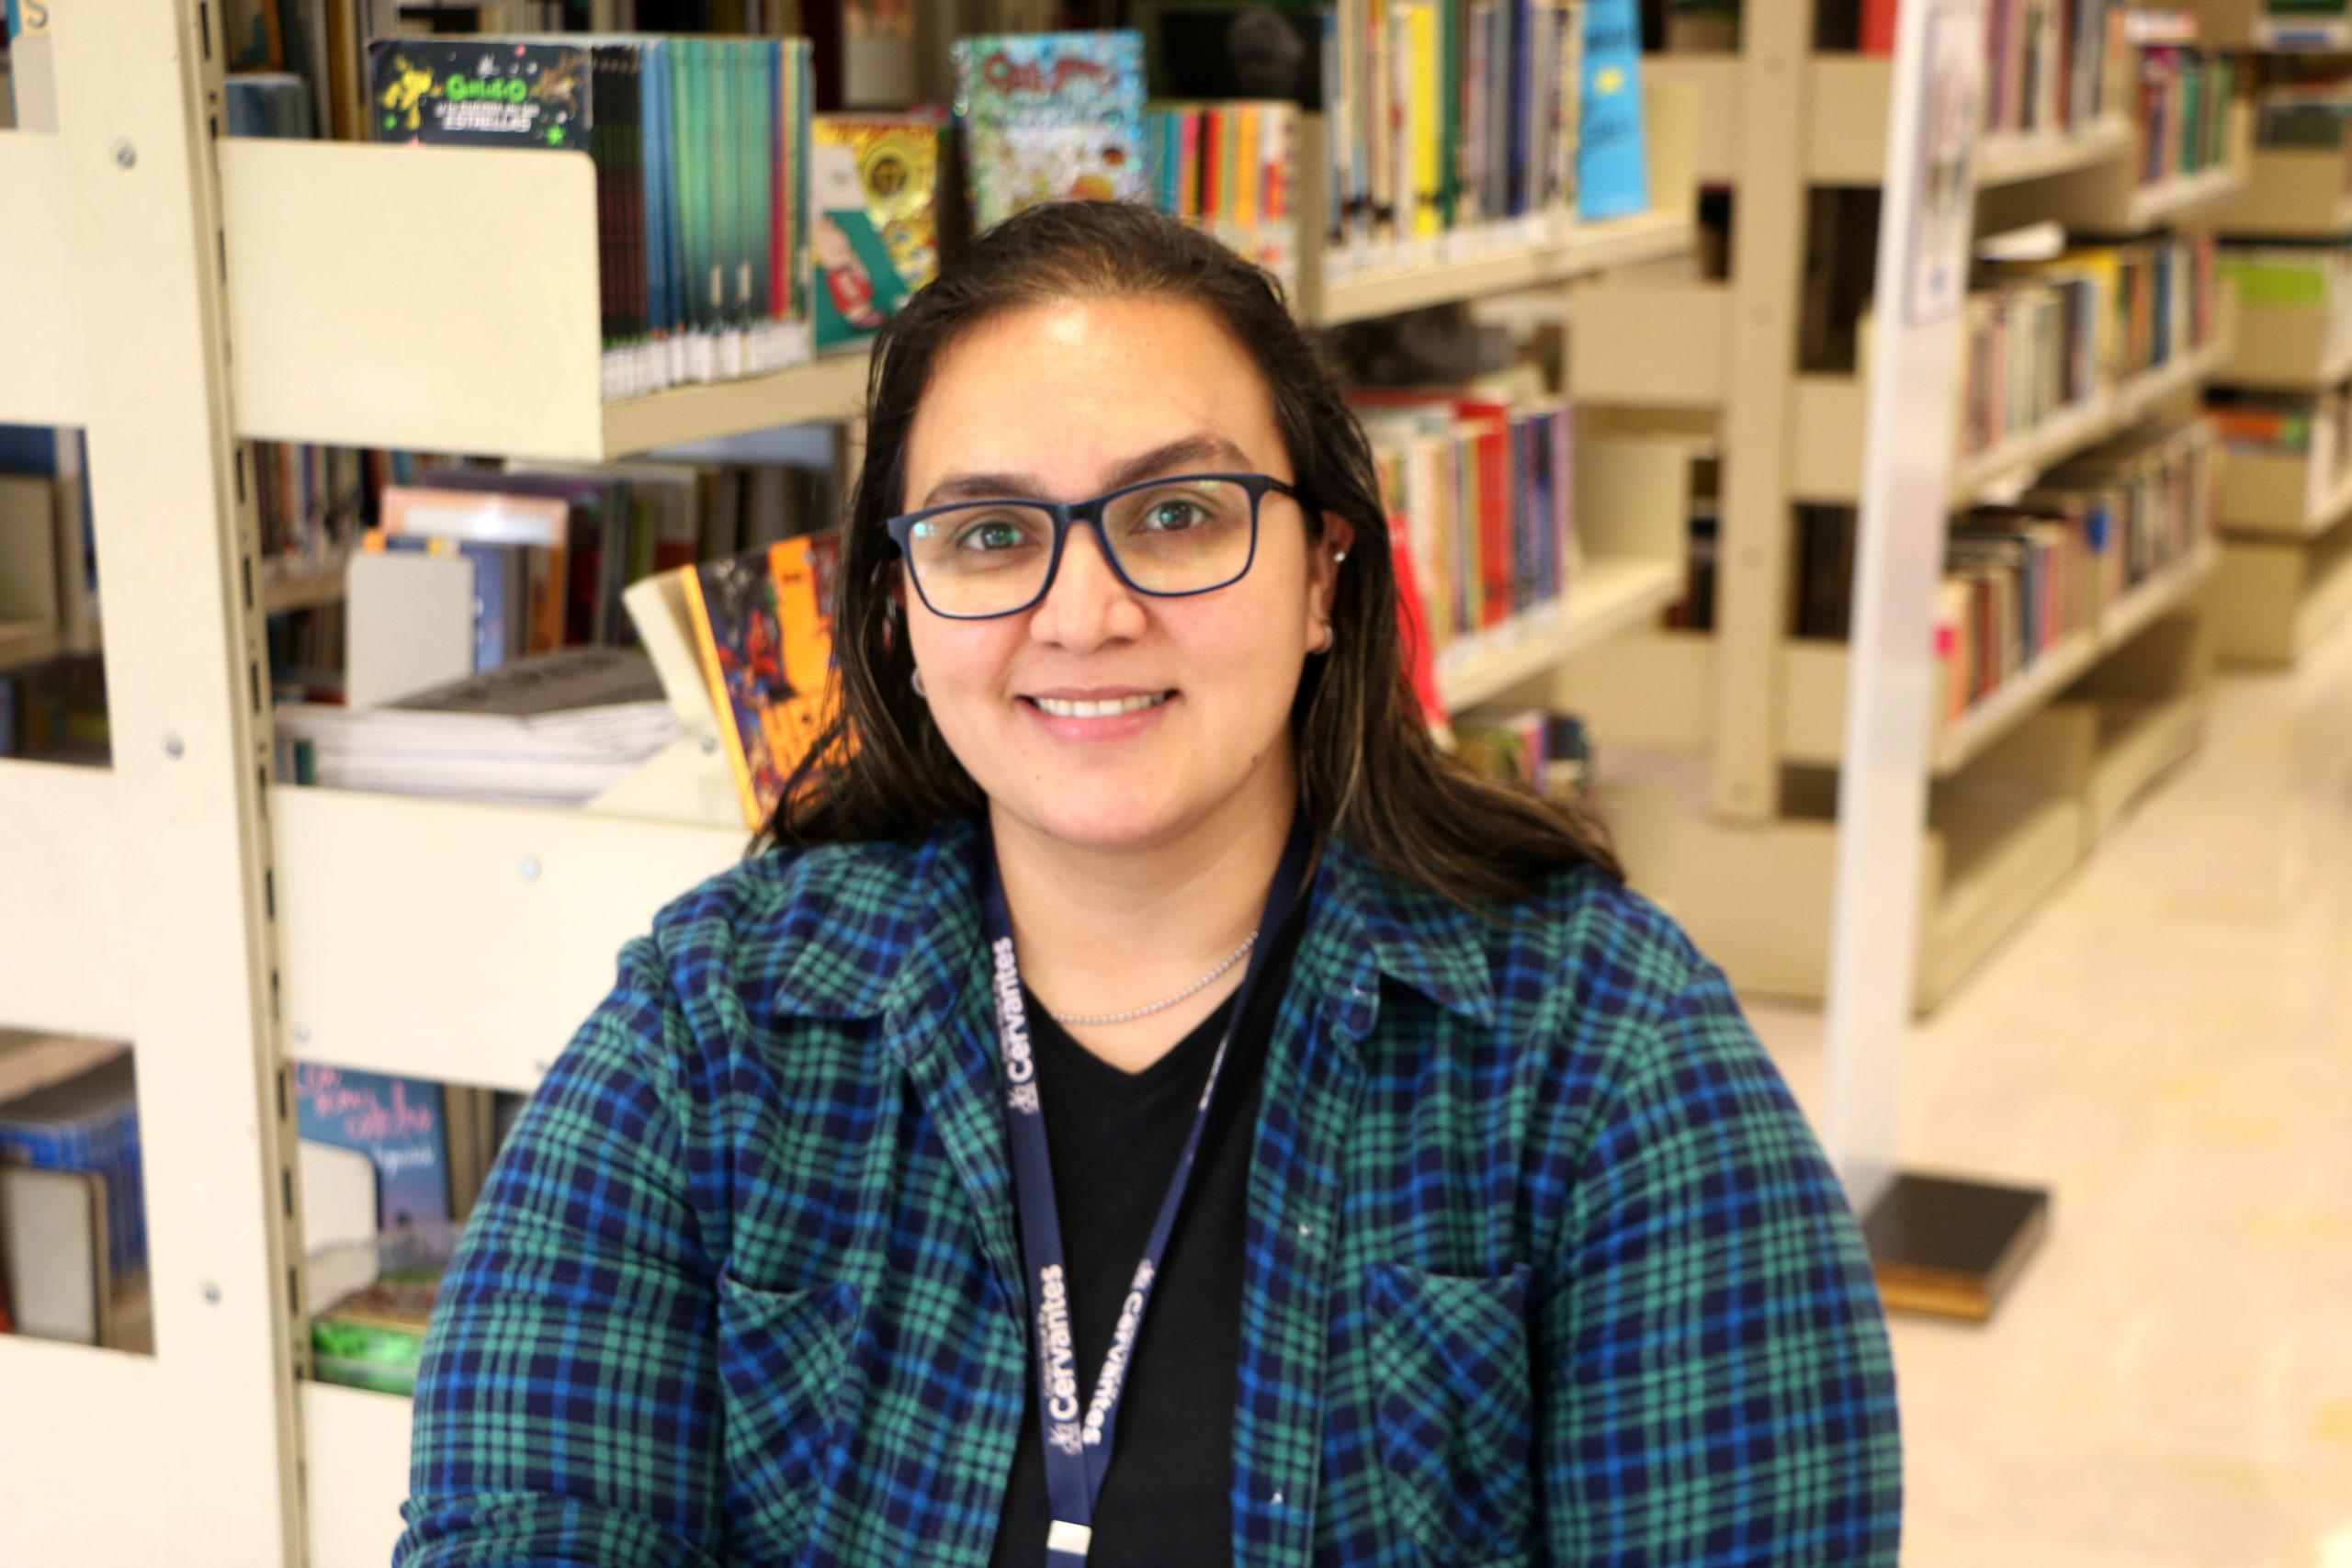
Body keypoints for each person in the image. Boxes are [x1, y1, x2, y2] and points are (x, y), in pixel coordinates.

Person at [396, 201, 1901, 1568]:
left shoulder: (1604, 1043)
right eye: (991, 537)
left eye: (1177, 515)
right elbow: (515, 1521)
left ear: (1323, 571)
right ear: (904, 617)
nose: (1086, 612)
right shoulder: (715, 1027)